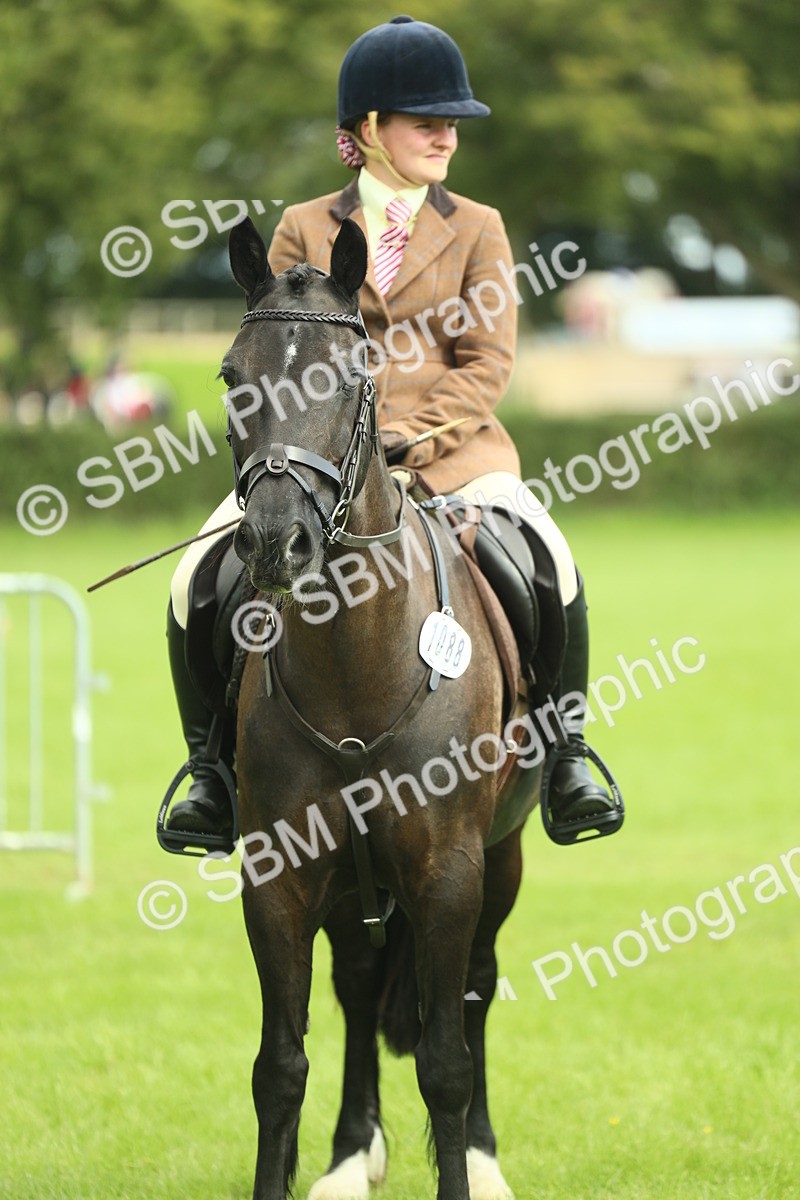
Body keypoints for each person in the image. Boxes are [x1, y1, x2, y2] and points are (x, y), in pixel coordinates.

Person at [164, 15, 620, 844]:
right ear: (367, 130)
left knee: (549, 559)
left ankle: (567, 754)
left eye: (453, 124)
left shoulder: (478, 226)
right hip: (319, 462)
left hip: (456, 455)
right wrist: (343, 445)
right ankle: (209, 771)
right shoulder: (305, 226)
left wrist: (410, 436)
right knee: (196, 575)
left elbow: (486, 364)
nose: (447, 136)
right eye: (427, 122)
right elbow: (287, 354)